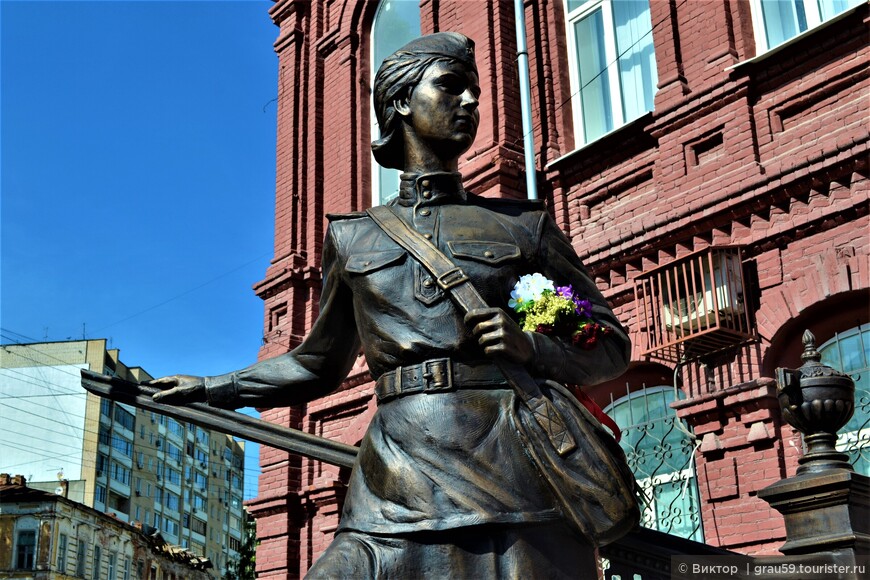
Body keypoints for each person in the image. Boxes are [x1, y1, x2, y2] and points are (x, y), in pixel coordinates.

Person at [151, 32, 632, 578]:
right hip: (393, 480)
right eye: (451, 86)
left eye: (474, 90)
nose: (472, 101)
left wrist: (532, 345)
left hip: (514, 479)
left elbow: (609, 347)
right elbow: (316, 363)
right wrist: (212, 389)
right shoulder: (355, 238)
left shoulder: (524, 228)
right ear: (401, 101)